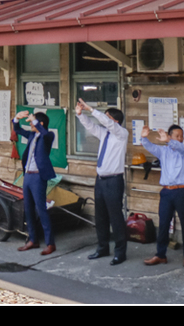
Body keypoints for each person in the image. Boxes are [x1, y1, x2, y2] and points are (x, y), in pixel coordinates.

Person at [75, 99, 128, 266]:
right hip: (100, 180)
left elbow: (107, 123)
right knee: (101, 217)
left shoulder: (121, 133)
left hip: (114, 180)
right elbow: (90, 126)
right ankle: (102, 247)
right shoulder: (105, 134)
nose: (104, 119)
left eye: (107, 117)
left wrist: (92, 109)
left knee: (116, 217)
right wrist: (80, 114)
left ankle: (120, 252)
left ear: (115, 121)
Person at [140, 123, 184, 268]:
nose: (180, 138)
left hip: (181, 191)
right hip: (166, 192)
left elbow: (180, 147)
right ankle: (160, 255)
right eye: (177, 136)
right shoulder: (163, 151)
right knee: (163, 223)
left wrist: (170, 141)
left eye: (182, 136)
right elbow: (150, 146)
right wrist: (144, 137)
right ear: (170, 135)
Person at [13, 110, 57, 256]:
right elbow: (18, 130)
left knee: (41, 209)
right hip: (28, 175)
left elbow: (45, 134)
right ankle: (33, 239)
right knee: (28, 208)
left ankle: (50, 243)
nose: (30, 124)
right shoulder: (32, 134)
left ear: (41, 123)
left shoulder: (48, 135)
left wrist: (35, 121)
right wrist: (16, 118)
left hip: (39, 176)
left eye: (32, 122)